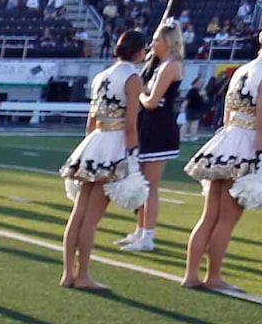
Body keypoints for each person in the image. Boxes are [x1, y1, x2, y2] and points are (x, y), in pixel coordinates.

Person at [184, 16, 262, 293]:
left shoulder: (243, 69)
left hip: (226, 140)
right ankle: (214, 276)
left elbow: (227, 113)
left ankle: (191, 275)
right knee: (227, 218)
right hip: (245, 144)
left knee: (209, 215)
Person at [59, 29, 151, 290]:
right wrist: (132, 156)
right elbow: (131, 123)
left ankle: (68, 273)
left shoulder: (101, 75)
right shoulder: (133, 77)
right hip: (115, 142)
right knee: (92, 217)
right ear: (136, 52)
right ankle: (84, 275)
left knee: (78, 213)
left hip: (95, 141)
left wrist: (90, 147)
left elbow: (92, 120)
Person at [118, 18, 184, 252]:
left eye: (157, 40)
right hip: (149, 125)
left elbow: (153, 101)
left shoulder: (171, 65)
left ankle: (148, 236)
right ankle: (139, 231)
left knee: (150, 186)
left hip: (159, 127)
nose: (152, 44)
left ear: (168, 41)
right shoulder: (158, 64)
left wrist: (140, 94)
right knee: (142, 183)